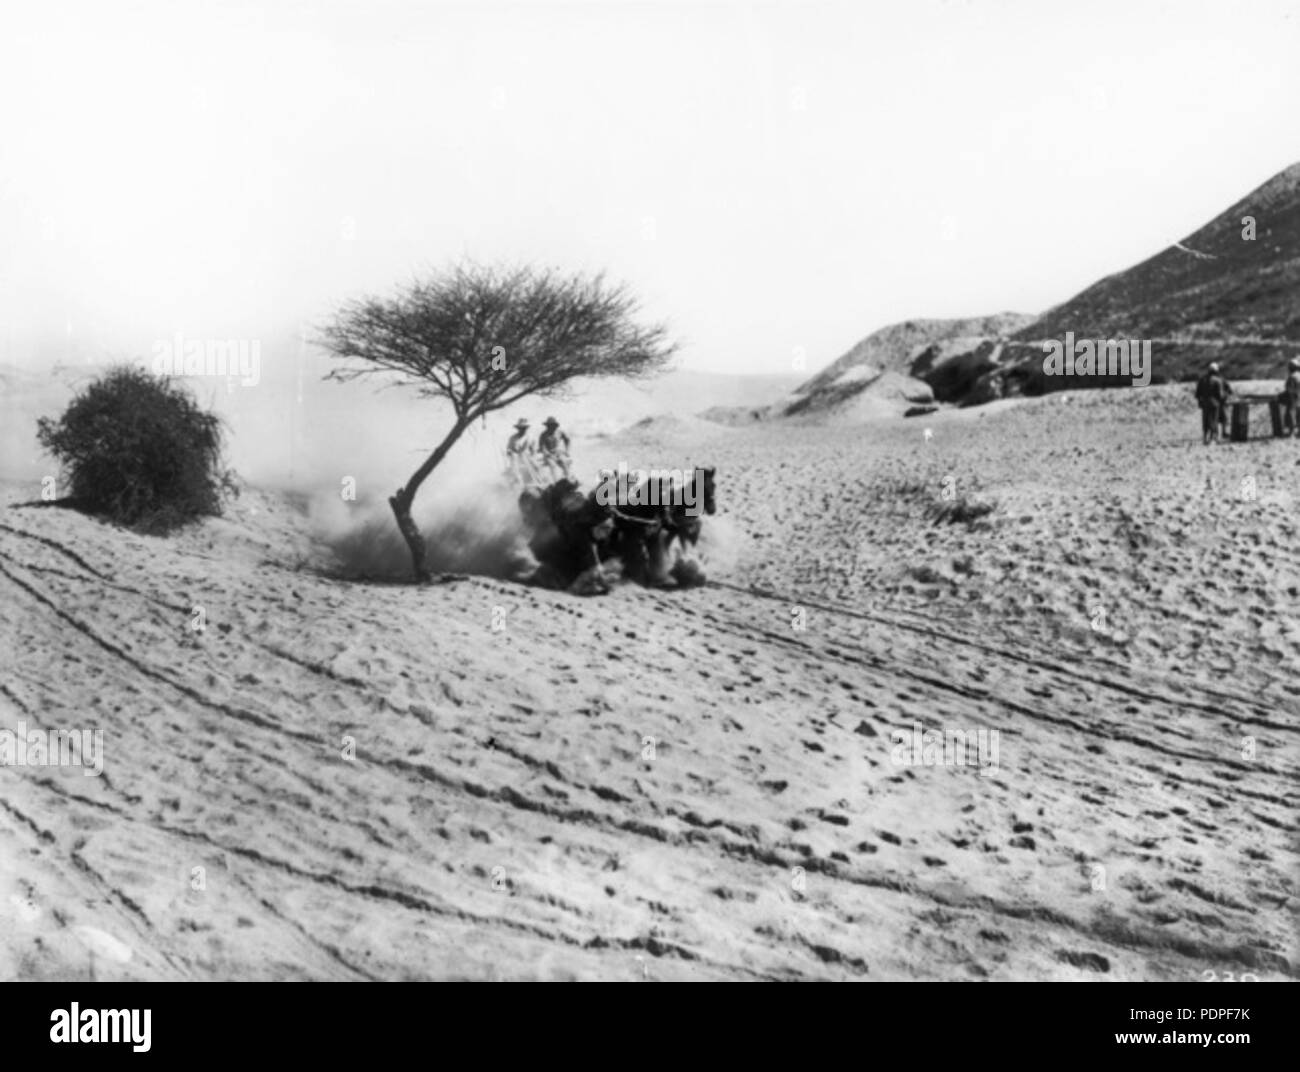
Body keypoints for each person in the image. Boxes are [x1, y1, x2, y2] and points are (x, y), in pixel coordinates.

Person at [1194, 362, 1232, 444]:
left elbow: (1197, 394)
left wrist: (1201, 402)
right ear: (1216, 371)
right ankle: (1213, 438)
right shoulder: (1218, 380)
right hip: (1215, 403)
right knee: (1214, 420)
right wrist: (1225, 397)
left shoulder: (1202, 380)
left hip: (1205, 404)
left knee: (1205, 420)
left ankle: (1205, 438)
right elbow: (1221, 395)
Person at [536, 416, 572, 480]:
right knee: (552, 464)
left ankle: (568, 479)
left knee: (564, 462)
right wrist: (549, 455)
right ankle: (556, 481)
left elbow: (567, 440)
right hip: (548, 454)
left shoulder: (560, 432)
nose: (552, 427)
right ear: (547, 426)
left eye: (553, 425)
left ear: (555, 426)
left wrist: (567, 451)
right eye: (550, 426)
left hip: (558, 452)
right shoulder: (543, 435)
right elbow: (542, 447)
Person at [505, 418, 536, 484]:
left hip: (527, 457)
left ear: (526, 428)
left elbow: (533, 450)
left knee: (536, 466)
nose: (522, 430)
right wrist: (510, 451)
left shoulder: (530, 437)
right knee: (515, 467)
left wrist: (532, 456)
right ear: (518, 428)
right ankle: (519, 482)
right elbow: (509, 448)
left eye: (524, 428)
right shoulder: (513, 438)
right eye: (521, 428)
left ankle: (538, 480)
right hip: (516, 458)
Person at [1282, 357, 1300, 437]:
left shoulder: (1292, 377)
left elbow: (1289, 389)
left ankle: (1291, 432)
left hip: (1293, 398)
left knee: (1290, 414)